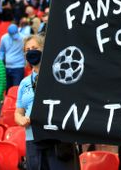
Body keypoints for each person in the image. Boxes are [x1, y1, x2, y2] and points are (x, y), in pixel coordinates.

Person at [15, 34, 78, 170]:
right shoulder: (24, 83)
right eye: (27, 49)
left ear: (44, 49)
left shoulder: (60, 75)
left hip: (56, 139)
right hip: (32, 140)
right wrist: (20, 119)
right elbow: (18, 112)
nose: (31, 51)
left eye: (34, 48)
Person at [0, 24, 25, 91]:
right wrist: (0, 62)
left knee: (16, 89)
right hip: (7, 67)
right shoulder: (4, 38)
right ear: (9, 33)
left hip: (19, 67)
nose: (14, 36)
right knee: (8, 89)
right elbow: (1, 51)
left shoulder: (23, 38)